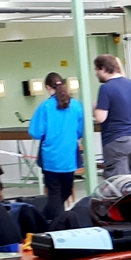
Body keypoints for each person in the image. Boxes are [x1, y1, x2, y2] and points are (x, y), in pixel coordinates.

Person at [29, 72, 84, 214]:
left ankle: (49, 219)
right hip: (70, 157)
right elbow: (80, 131)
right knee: (65, 192)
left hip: (51, 157)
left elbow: (35, 132)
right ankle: (48, 216)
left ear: (48, 87)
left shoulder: (45, 106)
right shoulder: (76, 105)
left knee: (54, 194)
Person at [93, 52, 131, 178]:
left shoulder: (106, 88)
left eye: (97, 70)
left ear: (104, 69)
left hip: (115, 140)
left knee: (118, 181)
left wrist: (95, 107)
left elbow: (101, 117)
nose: (96, 73)